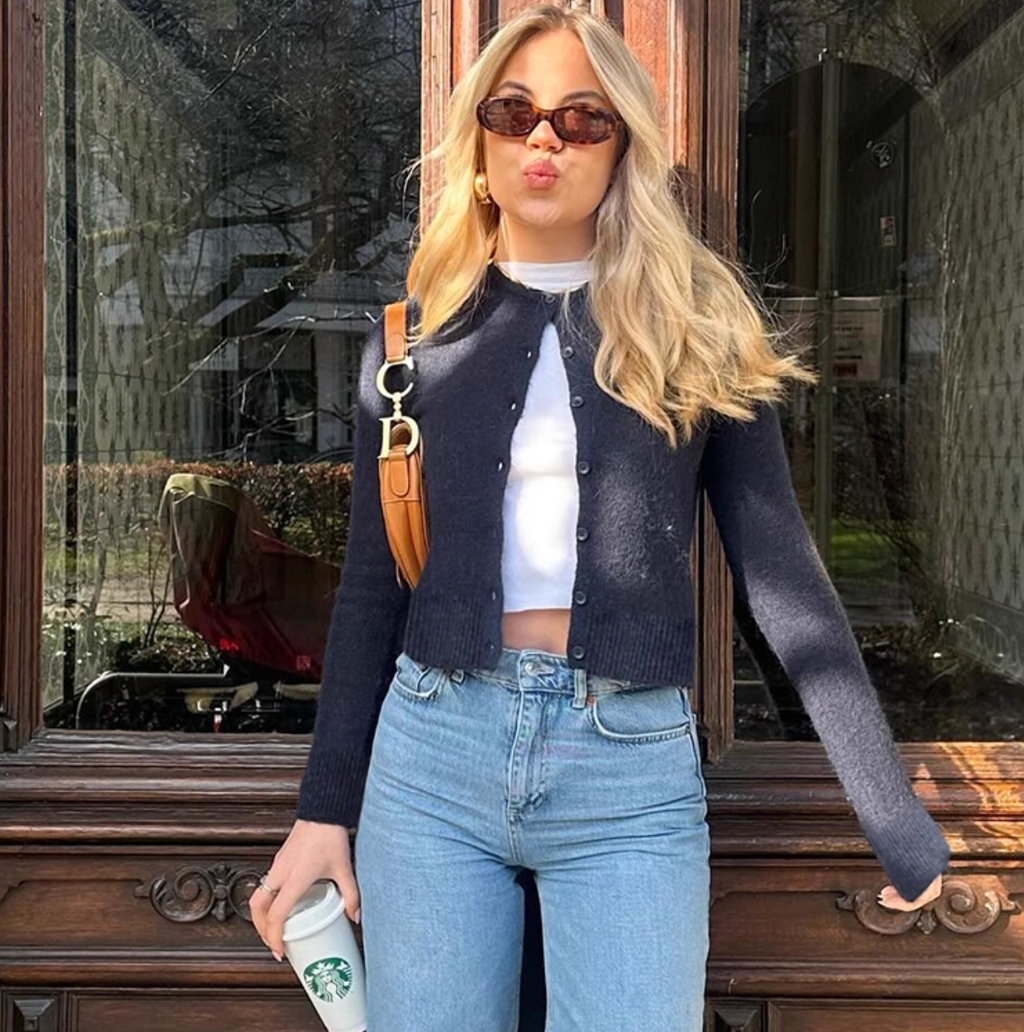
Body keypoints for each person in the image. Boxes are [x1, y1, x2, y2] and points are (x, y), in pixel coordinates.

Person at [250, 5, 951, 1029]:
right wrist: (324, 812)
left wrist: (889, 809)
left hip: (627, 766)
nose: (546, 138)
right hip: (432, 757)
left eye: (583, 118)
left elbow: (780, 577)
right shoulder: (406, 344)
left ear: (623, 147)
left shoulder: (699, 331)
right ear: (479, 143)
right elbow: (370, 589)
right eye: (515, 112)